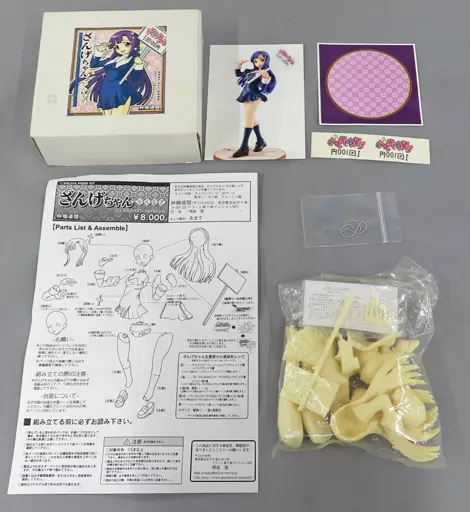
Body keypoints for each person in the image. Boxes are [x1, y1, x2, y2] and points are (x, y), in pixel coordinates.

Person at [232, 50, 277, 158]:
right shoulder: (251, 71)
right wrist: (238, 65)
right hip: (246, 95)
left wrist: (266, 79)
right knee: (251, 119)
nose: (258, 63)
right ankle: (260, 141)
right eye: (255, 61)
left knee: (248, 120)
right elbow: (238, 74)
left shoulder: (266, 72)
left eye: (261, 60)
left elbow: (263, 89)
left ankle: (244, 147)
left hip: (255, 97)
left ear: (266, 60)